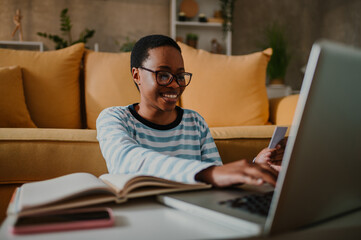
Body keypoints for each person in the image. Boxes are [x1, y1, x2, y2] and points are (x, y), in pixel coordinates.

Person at [97, 34, 284, 187]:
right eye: (163, 75)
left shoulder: (195, 122)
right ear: (136, 75)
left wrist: (255, 167)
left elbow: (217, 176)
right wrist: (208, 172)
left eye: (180, 76)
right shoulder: (113, 118)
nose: (175, 85)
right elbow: (126, 159)